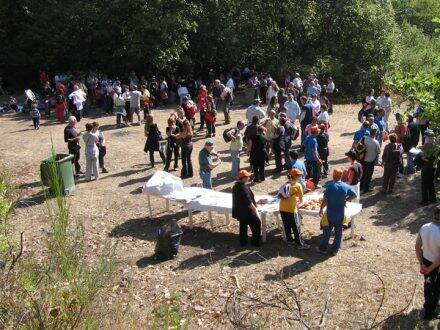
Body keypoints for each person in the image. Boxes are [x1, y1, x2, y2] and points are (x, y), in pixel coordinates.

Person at [317, 169, 357, 255]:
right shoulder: (345, 186)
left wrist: (321, 209)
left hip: (330, 213)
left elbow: (325, 200)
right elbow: (354, 195)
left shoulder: (330, 186)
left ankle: (323, 248)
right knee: (339, 231)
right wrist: (346, 200)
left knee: (327, 230)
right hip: (340, 213)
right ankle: (335, 249)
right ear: (341, 176)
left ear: (333, 175)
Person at [415, 206, 440, 320]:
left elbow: (417, 246)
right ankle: (430, 313)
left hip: (426, 260)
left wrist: (422, 264)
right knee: (436, 288)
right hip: (436, 264)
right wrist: (431, 269)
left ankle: (427, 305)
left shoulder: (424, 227)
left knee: (428, 284)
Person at [278, 169, 310, 249]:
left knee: (287, 225)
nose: (301, 176)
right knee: (296, 227)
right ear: (295, 176)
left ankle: (289, 241)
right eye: (299, 175)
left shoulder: (286, 184)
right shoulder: (298, 185)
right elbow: (301, 200)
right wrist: (299, 205)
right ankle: (299, 244)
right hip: (291, 209)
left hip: (282, 208)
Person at [232, 170, 262, 247]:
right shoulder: (243, 188)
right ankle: (255, 241)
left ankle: (243, 242)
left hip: (240, 211)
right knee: (257, 223)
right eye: (248, 176)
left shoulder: (235, 186)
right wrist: (255, 211)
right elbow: (248, 201)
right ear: (243, 178)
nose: (249, 177)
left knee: (243, 225)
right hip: (247, 211)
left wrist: (256, 202)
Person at [415, 129, 437, 205]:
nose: (425, 139)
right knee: (431, 183)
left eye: (426, 137)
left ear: (429, 137)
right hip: (433, 167)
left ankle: (425, 201)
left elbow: (425, 159)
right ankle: (433, 199)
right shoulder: (436, 144)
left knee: (424, 184)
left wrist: (420, 155)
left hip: (427, 167)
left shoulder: (428, 146)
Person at [360, 128, 380, 193]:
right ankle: (366, 188)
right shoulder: (376, 142)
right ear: (375, 133)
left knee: (363, 174)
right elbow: (378, 152)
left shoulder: (364, 138)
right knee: (368, 175)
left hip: (363, 160)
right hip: (370, 161)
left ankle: (361, 186)